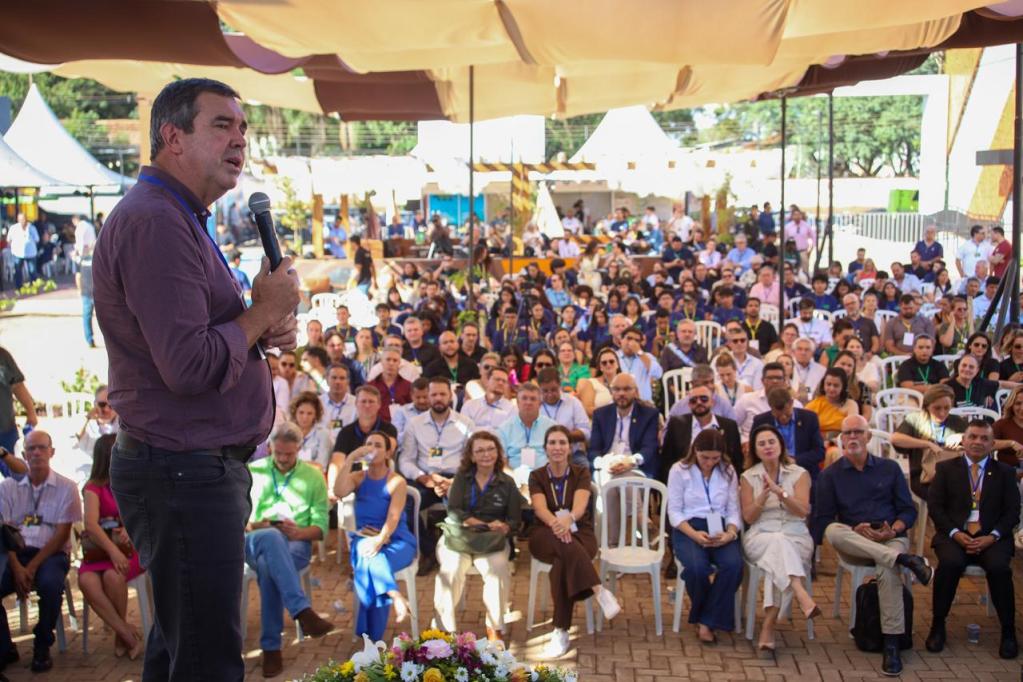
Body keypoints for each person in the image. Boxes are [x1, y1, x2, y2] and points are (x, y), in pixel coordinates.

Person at [93, 78, 300, 682]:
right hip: (183, 470)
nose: (240, 139)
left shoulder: (177, 216)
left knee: (182, 650)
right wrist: (261, 312)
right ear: (172, 137)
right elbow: (188, 367)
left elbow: (196, 339)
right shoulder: (157, 222)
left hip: (188, 468)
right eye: (222, 125)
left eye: (243, 128)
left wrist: (260, 327)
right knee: (208, 662)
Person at [813, 416, 931, 676]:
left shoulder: (889, 469)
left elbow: (907, 511)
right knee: (834, 531)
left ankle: (891, 643)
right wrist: (855, 530)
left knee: (886, 568)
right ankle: (905, 561)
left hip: (890, 535)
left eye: (858, 432)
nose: (852, 437)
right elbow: (822, 521)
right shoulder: (830, 475)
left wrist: (895, 529)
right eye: (847, 433)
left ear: (868, 437)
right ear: (841, 439)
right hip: (854, 540)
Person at [925, 420, 1020, 659]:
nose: (978, 442)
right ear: (963, 441)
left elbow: (1012, 512)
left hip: (992, 537)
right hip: (954, 534)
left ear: (992, 444)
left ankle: (1008, 631)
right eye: (973, 437)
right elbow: (936, 508)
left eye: (984, 438)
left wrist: (993, 536)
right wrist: (955, 533)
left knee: (999, 569)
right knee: (950, 565)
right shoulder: (946, 469)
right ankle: (938, 625)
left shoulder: (1005, 473)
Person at [246, 422, 332, 677]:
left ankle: (271, 648)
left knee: (267, 566)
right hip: (254, 539)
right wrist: (254, 523)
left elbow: (321, 527)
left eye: (289, 454)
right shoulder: (253, 471)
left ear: (299, 449)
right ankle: (302, 612)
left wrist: (300, 533)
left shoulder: (313, 476)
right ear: (270, 447)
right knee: (271, 536)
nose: (283, 459)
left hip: (296, 543)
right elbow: (236, 518)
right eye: (278, 453)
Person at [530, 426, 621, 657]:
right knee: (564, 545)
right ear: (545, 448)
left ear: (570, 448)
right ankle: (598, 589)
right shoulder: (537, 475)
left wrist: (568, 520)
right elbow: (540, 508)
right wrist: (556, 525)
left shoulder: (581, 472)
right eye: (552, 443)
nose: (557, 447)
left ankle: (560, 630)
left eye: (562, 443)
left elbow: (580, 507)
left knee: (563, 562)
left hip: (580, 531)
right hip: (545, 533)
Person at [0, 430, 82, 673]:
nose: (36, 452)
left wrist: (31, 567)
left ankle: (42, 644)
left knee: (50, 584)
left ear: (52, 452)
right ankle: (5, 647)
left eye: (41, 447)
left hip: (50, 554)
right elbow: (3, 532)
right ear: (23, 454)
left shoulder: (67, 488)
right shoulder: (7, 488)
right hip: (15, 553)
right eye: (31, 448)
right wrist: (17, 567)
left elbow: (60, 537)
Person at [433, 431, 520, 642]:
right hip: (458, 538)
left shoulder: (507, 483)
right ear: (471, 456)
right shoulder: (462, 479)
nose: (486, 454)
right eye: (479, 450)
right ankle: (444, 631)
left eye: (490, 449)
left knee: (497, 570)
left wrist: (505, 527)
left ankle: (494, 629)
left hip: (492, 541)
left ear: (498, 453)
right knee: (450, 570)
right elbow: (454, 511)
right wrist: (484, 523)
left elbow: (515, 520)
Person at [740, 425, 817, 654]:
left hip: (796, 535)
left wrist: (780, 492)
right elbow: (749, 517)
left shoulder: (799, 473)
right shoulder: (748, 476)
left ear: (780, 444)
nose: (767, 447)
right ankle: (799, 592)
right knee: (776, 541)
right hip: (760, 534)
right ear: (755, 449)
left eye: (771, 442)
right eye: (761, 444)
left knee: (779, 549)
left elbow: (803, 511)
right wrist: (763, 496)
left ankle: (768, 626)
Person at [333, 430, 415, 643]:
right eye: (369, 444)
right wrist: (351, 458)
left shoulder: (397, 482)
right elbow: (339, 491)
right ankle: (394, 595)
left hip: (397, 540)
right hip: (365, 539)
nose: (373, 449)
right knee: (369, 554)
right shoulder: (359, 477)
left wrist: (380, 539)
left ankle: (370, 638)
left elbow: (394, 516)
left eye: (378, 445)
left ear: (388, 452)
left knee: (370, 558)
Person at [667, 429, 742, 644]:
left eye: (715, 458)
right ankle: (711, 618)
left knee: (734, 565)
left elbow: (732, 509)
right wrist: (694, 534)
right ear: (695, 451)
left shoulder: (728, 470)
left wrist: (730, 533)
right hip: (688, 527)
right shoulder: (679, 470)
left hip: (720, 525)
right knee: (697, 568)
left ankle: (705, 620)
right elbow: (674, 511)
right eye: (705, 457)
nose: (709, 463)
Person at [400, 377, 474, 575]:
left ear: (450, 396)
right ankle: (430, 550)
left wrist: (453, 481)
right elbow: (405, 460)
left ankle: (461, 552)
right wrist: (421, 477)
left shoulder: (465, 423)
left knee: (465, 505)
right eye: (434, 395)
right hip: (425, 479)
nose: (438, 398)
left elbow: (472, 460)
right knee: (403, 503)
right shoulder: (414, 424)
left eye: (443, 394)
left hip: (454, 479)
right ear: (428, 397)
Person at [891, 384, 968, 501]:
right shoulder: (915, 419)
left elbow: (978, 441)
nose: (942, 413)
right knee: (942, 494)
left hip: (953, 475)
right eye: (937, 408)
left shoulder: (956, 421)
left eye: (947, 408)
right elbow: (895, 438)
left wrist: (962, 437)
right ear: (927, 406)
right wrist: (927, 444)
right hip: (924, 476)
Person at [659, 385, 742, 483]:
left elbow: (737, 460)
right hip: (685, 480)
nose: (699, 402)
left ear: (712, 402)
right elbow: (666, 460)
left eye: (704, 399)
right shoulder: (676, 424)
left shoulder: (729, 426)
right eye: (693, 400)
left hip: (721, 480)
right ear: (689, 405)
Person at [588, 374, 660, 479]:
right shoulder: (600, 415)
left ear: (635, 391)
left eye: (627, 389)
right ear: (611, 391)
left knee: (624, 483)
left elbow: (649, 448)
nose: (621, 393)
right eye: (617, 389)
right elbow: (594, 449)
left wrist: (631, 461)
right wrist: (602, 463)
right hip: (606, 467)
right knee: (607, 480)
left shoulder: (649, 415)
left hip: (636, 467)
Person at [752, 387, 825, 482]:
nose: (783, 418)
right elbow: (754, 452)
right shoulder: (760, 421)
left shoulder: (809, 419)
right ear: (771, 407)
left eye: (787, 414)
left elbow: (819, 452)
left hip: (804, 471)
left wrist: (795, 461)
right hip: (770, 473)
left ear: (791, 403)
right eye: (778, 415)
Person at [734, 363, 802, 444]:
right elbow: (732, 425)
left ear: (785, 381)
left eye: (779, 378)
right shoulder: (747, 400)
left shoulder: (795, 405)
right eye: (770, 378)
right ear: (762, 381)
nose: (775, 381)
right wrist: (743, 441)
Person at [536, 368, 591, 467]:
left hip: (572, 454)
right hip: (543, 455)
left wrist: (564, 436)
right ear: (539, 388)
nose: (550, 394)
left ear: (560, 385)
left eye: (554, 390)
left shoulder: (573, 402)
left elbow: (586, 432)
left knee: (584, 467)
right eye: (545, 391)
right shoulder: (536, 406)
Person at [669, 364, 739, 422]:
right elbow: (666, 435)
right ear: (693, 384)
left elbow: (733, 431)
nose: (710, 386)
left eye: (712, 381)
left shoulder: (724, 405)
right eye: (705, 383)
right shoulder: (679, 408)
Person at [804, 368, 859, 439]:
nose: (831, 388)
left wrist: (831, 436)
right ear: (823, 385)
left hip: (842, 443)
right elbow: (804, 429)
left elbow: (852, 429)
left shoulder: (851, 404)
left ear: (843, 387)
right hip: (817, 443)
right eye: (828, 384)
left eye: (836, 385)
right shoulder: (814, 405)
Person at [615, 326, 663, 403]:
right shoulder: (613, 357)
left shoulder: (646, 357)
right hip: (619, 403)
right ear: (621, 340)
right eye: (629, 338)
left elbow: (658, 373)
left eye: (636, 340)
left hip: (644, 403)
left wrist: (639, 352)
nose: (632, 343)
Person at [460, 366, 514, 431]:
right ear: (487, 381)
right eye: (497, 379)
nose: (501, 383)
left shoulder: (512, 409)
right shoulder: (469, 406)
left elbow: (510, 435)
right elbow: (462, 431)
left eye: (504, 381)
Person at [289, 391, 333, 472]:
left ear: (316, 415)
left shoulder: (323, 435)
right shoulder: (287, 433)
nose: (305, 417)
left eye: (309, 413)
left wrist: (294, 465)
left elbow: (321, 466)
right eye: (301, 412)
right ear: (295, 412)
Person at [368, 348, 412, 422]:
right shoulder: (370, 386)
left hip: (401, 427)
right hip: (377, 427)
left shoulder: (408, 386)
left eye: (395, 360)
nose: (391, 363)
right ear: (381, 362)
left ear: (399, 363)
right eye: (388, 359)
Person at [577, 347, 620, 417]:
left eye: (611, 361)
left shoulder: (626, 382)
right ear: (600, 367)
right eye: (604, 363)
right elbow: (587, 409)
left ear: (617, 364)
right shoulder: (591, 383)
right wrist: (612, 412)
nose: (608, 364)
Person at [320, 363, 357, 440]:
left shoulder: (357, 403)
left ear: (348, 382)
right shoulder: (317, 403)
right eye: (334, 377)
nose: (338, 382)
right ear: (327, 380)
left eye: (342, 378)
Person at [992, 386, 1023, 468]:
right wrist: (1010, 443)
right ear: (1011, 405)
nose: (1022, 408)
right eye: (1018, 403)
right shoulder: (1001, 425)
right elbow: (985, 445)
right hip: (1009, 473)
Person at [8, 213, 39, 289]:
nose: (22, 221)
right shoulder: (13, 228)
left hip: (31, 252)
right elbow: (9, 239)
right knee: (18, 270)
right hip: (18, 252)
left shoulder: (31, 227)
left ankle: (34, 286)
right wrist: (13, 247)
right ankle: (19, 287)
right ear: (18, 219)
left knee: (32, 270)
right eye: (20, 219)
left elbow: (37, 239)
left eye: (24, 219)